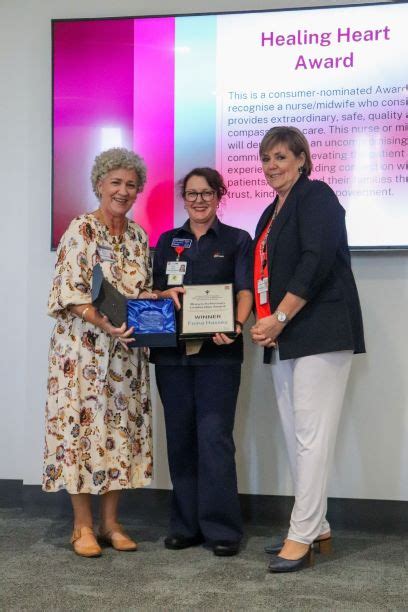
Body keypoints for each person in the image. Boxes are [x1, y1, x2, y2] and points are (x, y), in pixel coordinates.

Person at [250, 127, 365, 573]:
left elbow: (316, 260)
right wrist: (266, 322)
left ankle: (301, 535)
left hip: (318, 330)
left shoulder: (316, 195)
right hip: (284, 336)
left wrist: (279, 316)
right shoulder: (269, 212)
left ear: (301, 158)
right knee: (296, 435)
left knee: (311, 439)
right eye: (265, 159)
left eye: (280, 157)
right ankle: (316, 526)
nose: (271, 166)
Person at [43, 147, 156, 557]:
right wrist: (103, 321)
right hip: (83, 355)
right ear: (99, 185)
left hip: (124, 356)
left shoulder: (139, 236)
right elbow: (69, 293)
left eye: (130, 184)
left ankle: (110, 524)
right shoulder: (80, 230)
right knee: (80, 433)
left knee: (118, 434)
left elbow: (140, 291)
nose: (123, 191)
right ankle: (82, 526)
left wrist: (160, 299)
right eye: (116, 183)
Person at [150, 167, 253, 557]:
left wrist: (238, 324)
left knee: (214, 439)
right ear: (184, 198)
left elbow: (245, 291)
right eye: (191, 194)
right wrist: (162, 294)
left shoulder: (237, 240)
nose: (198, 200)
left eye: (206, 193)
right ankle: (186, 526)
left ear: (219, 195)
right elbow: (155, 291)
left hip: (219, 355)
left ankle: (223, 529)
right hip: (172, 357)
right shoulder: (167, 241)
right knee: (180, 440)